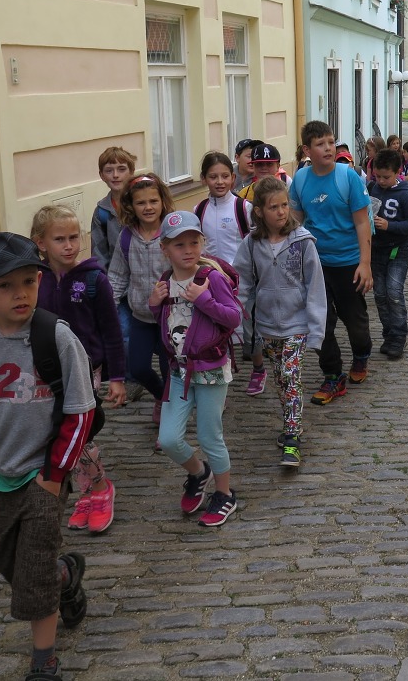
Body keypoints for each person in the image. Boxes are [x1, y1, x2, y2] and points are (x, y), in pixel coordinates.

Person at [0, 232, 95, 680]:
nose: (20, 294)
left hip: (42, 475)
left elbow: (80, 411)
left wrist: (54, 475)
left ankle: (43, 660)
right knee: (3, 556)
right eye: (6, 286)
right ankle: (64, 578)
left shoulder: (57, 337)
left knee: (31, 568)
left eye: (28, 282)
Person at [32, 206, 124, 534]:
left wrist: (116, 377)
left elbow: (112, 331)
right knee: (61, 432)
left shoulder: (93, 279)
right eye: (60, 239)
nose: (69, 245)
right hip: (47, 371)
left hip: (87, 370)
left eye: (74, 238)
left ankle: (99, 490)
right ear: (40, 243)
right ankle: (88, 491)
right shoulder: (35, 281)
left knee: (78, 431)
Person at [148, 211, 242, 526]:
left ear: (203, 242)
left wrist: (204, 300)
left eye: (194, 242)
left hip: (212, 370)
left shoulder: (210, 278)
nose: (188, 250)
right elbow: (167, 322)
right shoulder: (165, 281)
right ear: (165, 248)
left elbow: (233, 318)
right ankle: (198, 473)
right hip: (179, 371)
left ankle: (225, 494)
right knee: (170, 439)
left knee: (209, 434)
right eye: (179, 245)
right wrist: (153, 304)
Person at [233, 177, 326, 467]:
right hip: (266, 326)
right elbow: (243, 283)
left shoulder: (302, 242)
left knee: (290, 376)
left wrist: (316, 331)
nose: (281, 212)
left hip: (295, 324)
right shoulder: (251, 243)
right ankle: (289, 423)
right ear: (259, 211)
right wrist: (236, 321)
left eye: (285, 205)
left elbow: (315, 287)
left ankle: (292, 438)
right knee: (280, 380)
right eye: (274, 207)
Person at [289, 120, 373, 405]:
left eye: (331, 142)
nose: (328, 148)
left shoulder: (346, 176)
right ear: (306, 150)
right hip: (316, 263)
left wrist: (365, 263)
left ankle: (361, 355)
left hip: (349, 261)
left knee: (355, 321)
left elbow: (363, 222)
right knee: (319, 322)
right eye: (321, 143)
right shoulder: (300, 179)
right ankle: (333, 375)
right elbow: (297, 220)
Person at [107, 174, 174, 430]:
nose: (148, 207)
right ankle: (160, 396)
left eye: (153, 201)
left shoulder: (171, 233)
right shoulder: (126, 237)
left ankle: (169, 420)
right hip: (141, 317)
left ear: (162, 202)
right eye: (141, 203)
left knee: (170, 372)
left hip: (170, 318)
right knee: (138, 367)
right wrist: (109, 306)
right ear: (130, 206)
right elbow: (117, 275)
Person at [192, 152, 261, 395]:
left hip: (242, 280)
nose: (219, 182)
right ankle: (221, 374)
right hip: (212, 280)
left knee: (249, 329)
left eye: (224, 176)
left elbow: (255, 242)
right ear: (204, 179)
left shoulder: (243, 207)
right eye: (213, 177)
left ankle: (258, 367)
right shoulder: (198, 210)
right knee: (217, 330)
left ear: (233, 179)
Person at [91, 146, 141, 401]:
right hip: (117, 282)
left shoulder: (143, 201)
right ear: (101, 175)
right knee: (123, 332)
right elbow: (98, 252)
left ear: (131, 172)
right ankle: (130, 378)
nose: (115, 174)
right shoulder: (101, 211)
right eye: (109, 170)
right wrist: (103, 284)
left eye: (121, 169)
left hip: (145, 280)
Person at [368, 148, 408, 360]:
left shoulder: (404, 194)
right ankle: (388, 334)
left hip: (398, 250)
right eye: (377, 176)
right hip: (376, 250)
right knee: (380, 294)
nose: (381, 181)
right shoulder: (371, 188)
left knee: (394, 293)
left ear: (398, 172)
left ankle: (399, 336)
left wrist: (390, 225)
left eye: (386, 177)